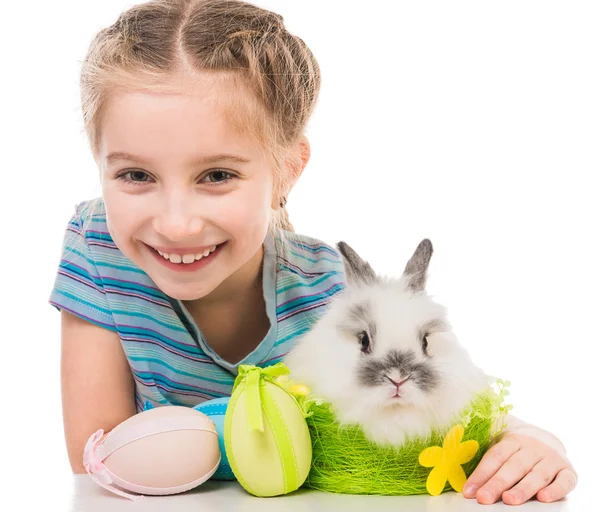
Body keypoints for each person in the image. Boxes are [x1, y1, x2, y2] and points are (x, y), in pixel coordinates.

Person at [49, 0, 577, 505]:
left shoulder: (331, 292)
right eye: (135, 175)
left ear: (287, 172)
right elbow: (95, 457)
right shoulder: (99, 245)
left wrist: (531, 440)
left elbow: (432, 398)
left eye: (217, 175)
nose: (177, 222)